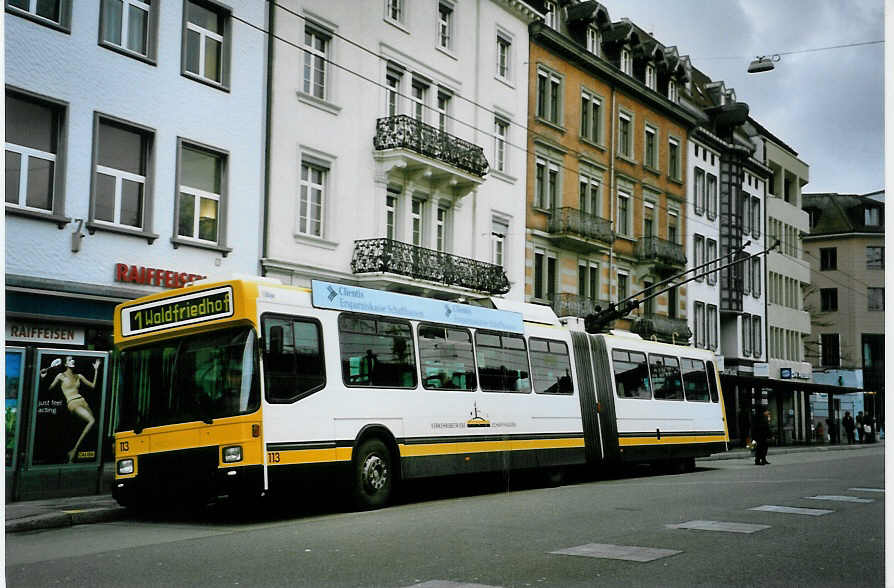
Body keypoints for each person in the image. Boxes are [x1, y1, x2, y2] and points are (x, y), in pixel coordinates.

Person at [40, 356, 100, 463]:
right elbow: (49, 389)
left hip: (83, 401)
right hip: (72, 403)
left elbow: (93, 386)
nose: (72, 361)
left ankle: (78, 451)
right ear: (66, 364)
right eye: (69, 360)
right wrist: (43, 377)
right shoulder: (60, 376)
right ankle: (74, 451)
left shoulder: (78, 376)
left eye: (73, 359)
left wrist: (96, 370)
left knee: (92, 426)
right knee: (91, 421)